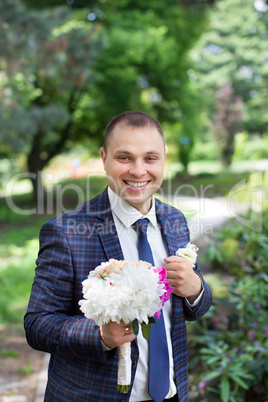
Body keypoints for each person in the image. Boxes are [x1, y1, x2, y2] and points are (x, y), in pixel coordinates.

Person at [24, 111, 212, 402]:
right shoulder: (66, 232)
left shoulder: (175, 220)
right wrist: (98, 335)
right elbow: (37, 325)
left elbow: (192, 309)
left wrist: (196, 290)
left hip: (172, 394)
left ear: (164, 159)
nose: (138, 171)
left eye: (150, 158)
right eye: (124, 158)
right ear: (104, 158)